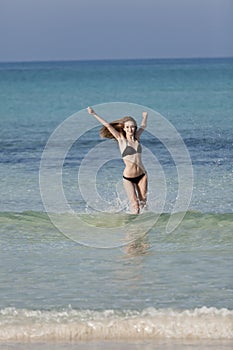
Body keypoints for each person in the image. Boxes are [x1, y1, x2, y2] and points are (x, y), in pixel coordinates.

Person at [87, 107, 148, 214]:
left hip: (142, 175)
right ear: (124, 128)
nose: (130, 129)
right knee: (135, 205)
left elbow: (143, 126)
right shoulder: (121, 139)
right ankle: (132, 227)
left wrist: (145, 117)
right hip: (129, 177)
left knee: (143, 203)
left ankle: (143, 226)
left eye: (133, 127)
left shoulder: (137, 138)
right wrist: (94, 113)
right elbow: (107, 125)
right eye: (128, 127)